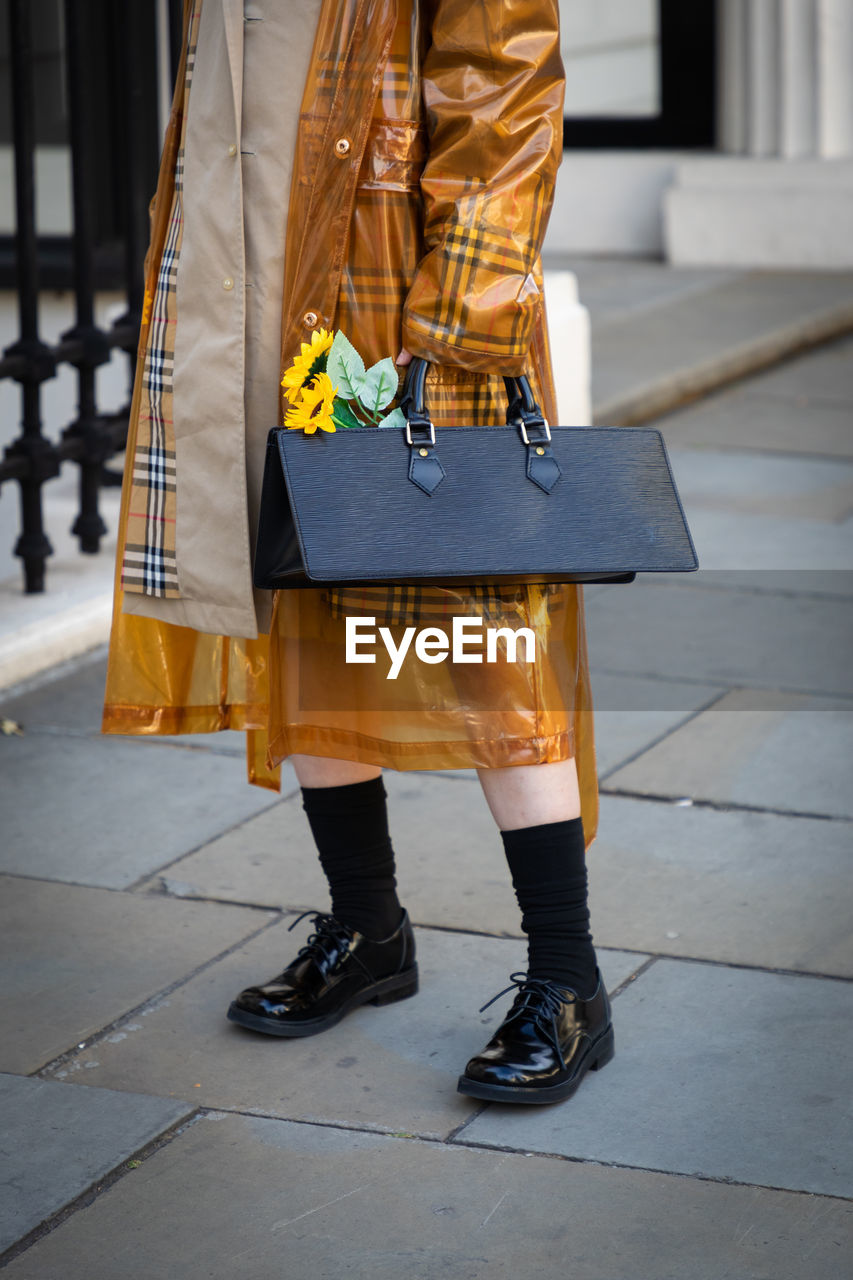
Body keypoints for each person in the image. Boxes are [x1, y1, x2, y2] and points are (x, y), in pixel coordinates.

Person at [102, 0, 613, 1105]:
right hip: (245, 265)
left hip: (397, 280)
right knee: (305, 590)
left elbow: (506, 71)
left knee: (477, 627)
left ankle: (569, 981)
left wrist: (465, 307)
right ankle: (370, 926)